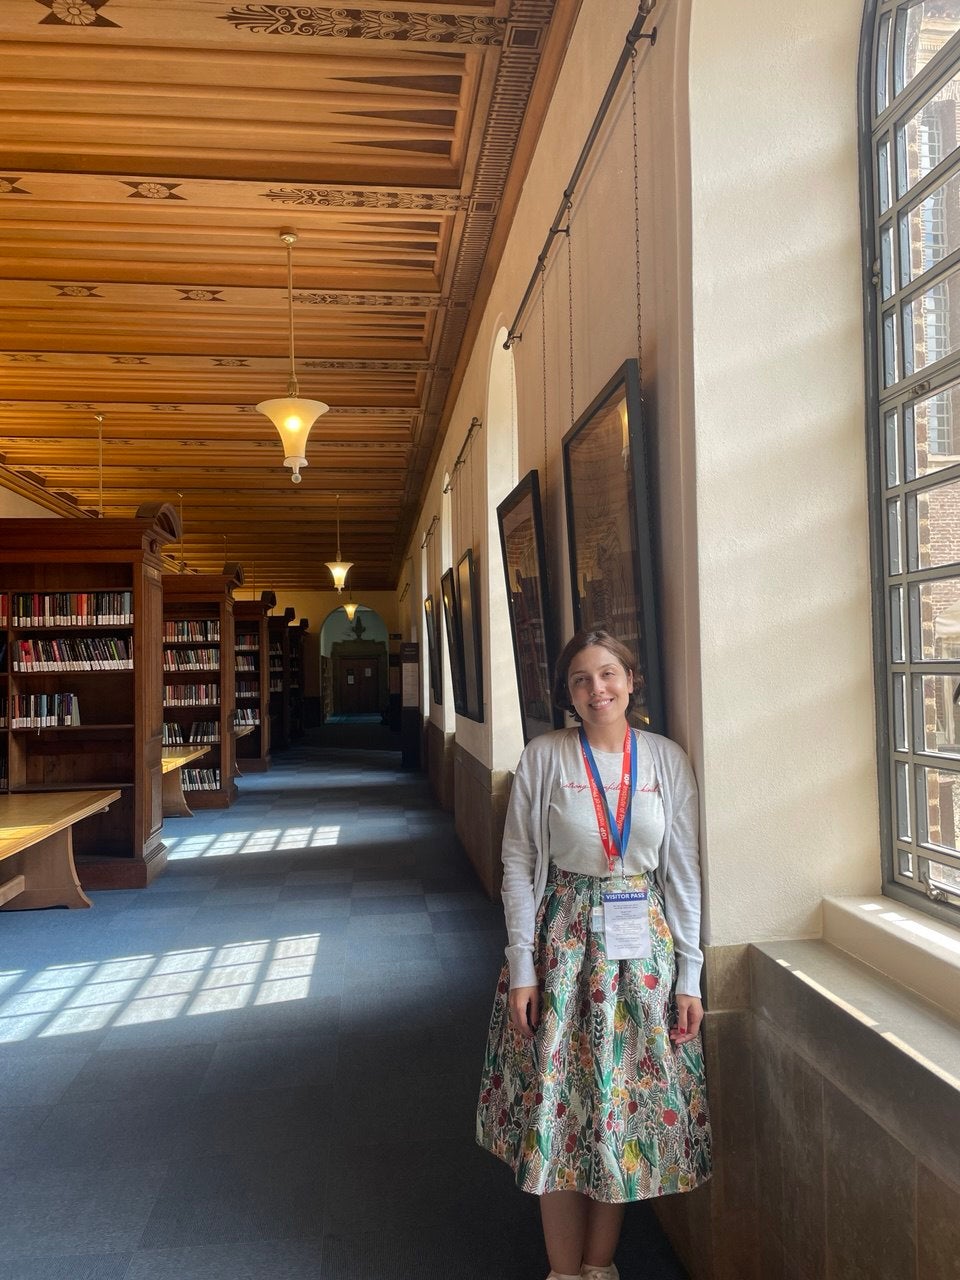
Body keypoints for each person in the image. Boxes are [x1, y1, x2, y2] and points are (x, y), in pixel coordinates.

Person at [476, 629, 711, 1280]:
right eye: (580, 680)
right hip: (563, 950)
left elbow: (683, 870)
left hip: (642, 956)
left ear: (631, 680)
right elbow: (519, 862)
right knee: (558, 1108)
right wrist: (522, 966)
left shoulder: (665, 760)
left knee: (617, 1116)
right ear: (567, 695)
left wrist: (689, 975)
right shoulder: (545, 757)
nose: (596, 689)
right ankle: (562, 1272)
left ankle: (599, 1267)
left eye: (608, 674)